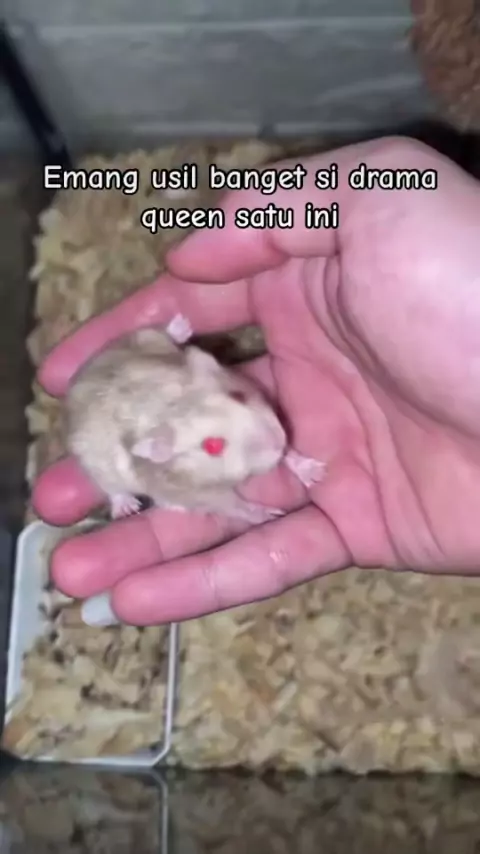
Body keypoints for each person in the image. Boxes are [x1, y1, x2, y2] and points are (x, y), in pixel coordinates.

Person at [32, 135, 480, 626]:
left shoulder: (203, 384)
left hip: (154, 373)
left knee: (156, 361)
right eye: (214, 447)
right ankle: (118, 483)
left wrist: (291, 457)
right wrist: (238, 509)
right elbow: (199, 498)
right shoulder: (164, 468)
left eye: (239, 397)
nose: (268, 432)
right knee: (105, 460)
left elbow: (193, 373)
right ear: (163, 453)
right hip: (123, 424)